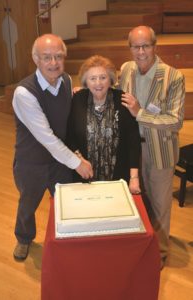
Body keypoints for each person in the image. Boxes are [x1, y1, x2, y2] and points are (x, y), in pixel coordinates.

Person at [12, 34, 93, 261]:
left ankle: (66, 238)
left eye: (58, 56)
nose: (54, 63)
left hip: (59, 160)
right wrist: (78, 163)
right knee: (28, 205)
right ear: (35, 59)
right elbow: (47, 138)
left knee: (66, 200)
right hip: (31, 162)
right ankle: (23, 238)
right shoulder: (24, 93)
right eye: (47, 57)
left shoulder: (66, 80)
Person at [120, 26, 185, 268]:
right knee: (137, 200)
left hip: (160, 150)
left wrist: (140, 113)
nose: (140, 52)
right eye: (135, 47)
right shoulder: (126, 69)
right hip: (132, 150)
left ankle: (160, 253)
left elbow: (175, 121)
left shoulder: (173, 76)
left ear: (155, 46)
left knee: (159, 205)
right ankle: (141, 245)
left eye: (145, 45)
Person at [67, 55, 141, 193]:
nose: (98, 83)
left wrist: (134, 177)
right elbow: (69, 136)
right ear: (86, 82)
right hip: (84, 176)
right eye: (92, 78)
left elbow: (133, 141)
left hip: (118, 177)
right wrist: (79, 160)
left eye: (103, 77)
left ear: (111, 79)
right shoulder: (77, 100)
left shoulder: (122, 100)